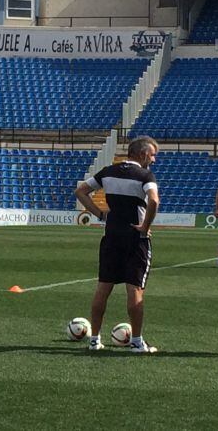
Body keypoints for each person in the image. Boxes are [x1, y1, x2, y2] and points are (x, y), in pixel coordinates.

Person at [74, 136, 160, 354]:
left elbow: (81, 191)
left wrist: (100, 214)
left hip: (111, 236)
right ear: (141, 154)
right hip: (136, 238)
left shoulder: (108, 171)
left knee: (103, 287)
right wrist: (145, 225)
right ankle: (137, 342)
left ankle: (94, 339)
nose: (153, 160)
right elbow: (154, 200)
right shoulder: (145, 175)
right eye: (152, 155)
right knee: (135, 289)